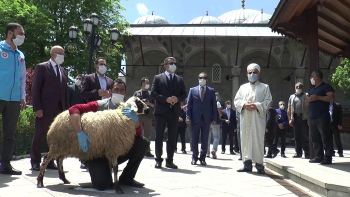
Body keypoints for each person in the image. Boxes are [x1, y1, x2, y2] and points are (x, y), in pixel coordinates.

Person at [69, 79, 149, 190]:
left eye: (122, 90)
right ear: (110, 91)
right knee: (103, 185)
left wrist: (135, 120)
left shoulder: (129, 109)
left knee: (143, 143)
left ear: (125, 93)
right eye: (116, 89)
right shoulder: (100, 105)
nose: (119, 92)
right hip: (96, 153)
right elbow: (74, 109)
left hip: (115, 151)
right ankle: (101, 171)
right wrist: (79, 132)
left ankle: (127, 177)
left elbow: (139, 135)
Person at [30, 45, 69, 171]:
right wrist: (37, 107)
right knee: (39, 135)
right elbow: (35, 88)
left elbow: (64, 92)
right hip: (45, 108)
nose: (63, 56)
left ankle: (50, 160)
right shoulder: (42, 67)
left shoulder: (63, 70)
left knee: (54, 136)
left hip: (59, 108)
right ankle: (35, 161)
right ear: (53, 54)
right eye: (61, 53)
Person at [234, 63, 272, 174]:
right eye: (250, 72)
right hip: (245, 118)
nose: (252, 74)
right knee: (245, 140)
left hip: (257, 119)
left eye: (254, 72)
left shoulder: (264, 87)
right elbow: (236, 101)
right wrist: (244, 105)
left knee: (258, 141)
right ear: (247, 74)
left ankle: (259, 165)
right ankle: (246, 164)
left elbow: (268, 101)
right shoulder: (242, 87)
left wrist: (257, 105)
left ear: (259, 74)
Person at [0, 23, 26, 175]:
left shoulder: (21, 55)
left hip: (14, 100)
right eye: (20, 33)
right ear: (10, 33)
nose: (23, 37)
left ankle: (6, 165)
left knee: (10, 135)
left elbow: (23, 79)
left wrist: (22, 97)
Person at [151, 57, 186, 169]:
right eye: (171, 63)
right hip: (161, 111)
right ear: (165, 65)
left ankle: (170, 160)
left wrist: (177, 99)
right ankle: (158, 159)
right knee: (159, 136)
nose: (174, 65)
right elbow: (153, 93)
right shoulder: (158, 78)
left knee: (172, 137)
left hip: (174, 112)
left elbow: (184, 94)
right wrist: (165, 99)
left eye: (175, 63)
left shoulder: (179, 79)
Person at [186, 72, 217, 166]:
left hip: (206, 119)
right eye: (200, 78)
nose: (202, 79)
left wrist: (214, 118)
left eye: (204, 78)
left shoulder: (211, 91)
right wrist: (188, 117)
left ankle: (203, 158)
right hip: (195, 118)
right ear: (197, 79)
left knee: (205, 139)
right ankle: (194, 157)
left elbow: (214, 106)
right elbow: (189, 105)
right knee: (194, 139)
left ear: (207, 79)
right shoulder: (192, 90)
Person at [306, 70, 334, 165]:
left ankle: (328, 157)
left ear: (316, 77)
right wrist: (308, 100)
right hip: (312, 116)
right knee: (315, 138)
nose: (311, 79)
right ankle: (318, 156)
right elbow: (307, 103)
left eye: (312, 77)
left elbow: (331, 98)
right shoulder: (311, 89)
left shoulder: (326, 87)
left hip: (322, 116)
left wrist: (318, 98)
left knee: (325, 137)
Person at [133, 77, 155, 157]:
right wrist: (141, 103)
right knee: (137, 134)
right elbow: (132, 104)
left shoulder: (151, 94)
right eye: (147, 83)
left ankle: (147, 151)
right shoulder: (137, 93)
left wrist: (149, 104)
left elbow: (154, 105)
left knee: (147, 135)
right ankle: (135, 150)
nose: (148, 84)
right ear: (142, 84)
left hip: (148, 117)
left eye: (148, 83)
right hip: (138, 117)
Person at [287, 82, 309, 159]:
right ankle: (298, 152)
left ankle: (307, 152)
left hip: (304, 118)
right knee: (297, 136)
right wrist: (290, 119)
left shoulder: (306, 95)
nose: (298, 88)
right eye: (297, 87)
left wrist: (309, 118)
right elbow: (289, 108)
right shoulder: (292, 97)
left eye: (300, 87)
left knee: (305, 136)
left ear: (302, 88)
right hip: (295, 117)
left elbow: (309, 107)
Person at [206, 92, 222, 159]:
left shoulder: (207, 102)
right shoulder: (217, 103)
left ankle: (207, 153)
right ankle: (214, 150)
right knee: (216, 137)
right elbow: (220, 114)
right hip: (215, 122)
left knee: (207, 137)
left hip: (207, 122)